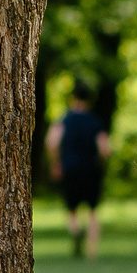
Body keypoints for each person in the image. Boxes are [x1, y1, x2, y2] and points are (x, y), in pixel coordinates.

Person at [46, 87, 110, 259]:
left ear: (72, 99)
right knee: (93, 210)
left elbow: (51, 142)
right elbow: (104, 149)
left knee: (71, 208)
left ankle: (75, 230)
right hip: (91, 169)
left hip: (70, 168)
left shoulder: (64, 120)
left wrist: (56, 164)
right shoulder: (95, 121)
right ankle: (91, 251)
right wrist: (100, 164)